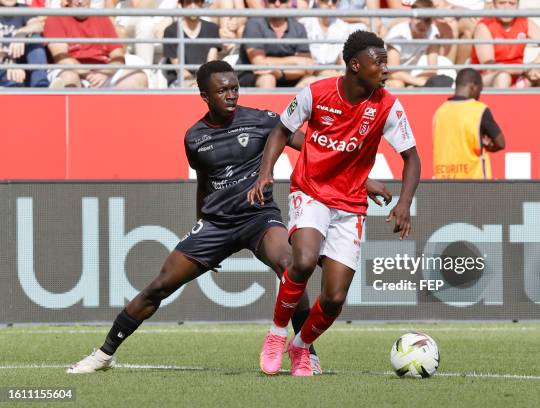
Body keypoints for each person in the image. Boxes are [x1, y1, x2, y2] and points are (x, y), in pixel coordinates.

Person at [66, 60, 391, 375]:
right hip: (216, 225)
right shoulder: (194, 138)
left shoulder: (263, 121)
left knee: (292, 265)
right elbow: (204, 183)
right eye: (223, 91)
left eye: (235, 88)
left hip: (259, 218)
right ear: (205, 96)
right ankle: (104, 353)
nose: (232, 95)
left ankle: (305, 352)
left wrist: (362, 180)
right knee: (159, 286)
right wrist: (200, 226)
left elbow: (315, 153)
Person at [248, 30, 421, 377]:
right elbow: (281, 131)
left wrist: (404, 204)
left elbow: (412, 158)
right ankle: (277, 333)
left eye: (387, 61)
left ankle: (300, 349)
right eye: (380, 61)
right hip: (310, 190)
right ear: (356, 65)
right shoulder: (316, 93)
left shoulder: (387, 105)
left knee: (335, 296)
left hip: (350, 204)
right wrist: (266, 172)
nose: (386, 68)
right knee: (305, 259)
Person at [43, 0, 148, 88]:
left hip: (102, 71)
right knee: (69, 78)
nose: (80, 1)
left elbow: (118, 56)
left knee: (138, 77)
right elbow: (61, 58)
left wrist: (105, 73)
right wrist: (88, 74)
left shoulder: (102, 18)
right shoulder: (56, 18)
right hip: (70, 70)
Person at [432, 68, 505, 179]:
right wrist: (488, 145)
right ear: (473, 86)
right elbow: (500, 143)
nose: (479, 95)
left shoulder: (439, 112)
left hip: (444, 182)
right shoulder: (479, 110)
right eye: (480, 90)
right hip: (474, 184)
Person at [471, 0, 540, 88]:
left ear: (517, 5)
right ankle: (502, 101)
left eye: (512, 3)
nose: (507, 7)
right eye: (502, 3)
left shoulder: (523, 21)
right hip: (488, 78)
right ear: (494, 4)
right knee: (503, 77)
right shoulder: (485, 26)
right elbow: (490, 68)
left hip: (518, 74)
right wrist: (527, 69)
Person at [237, 0, 314, 88]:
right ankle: (266, 102)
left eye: (282, 0)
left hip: (287, 77)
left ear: (289, 3)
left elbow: (307, 66)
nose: (277, 4)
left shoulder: (298, 27)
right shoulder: (254, 24)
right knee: (268, 79)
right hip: (254, 77)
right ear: (265, 3)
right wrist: (294, 60)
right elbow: (259, 64)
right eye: (272, 0)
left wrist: (281, 73)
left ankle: (293, 102)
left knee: (311, 81)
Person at [162, 0, 221, 87]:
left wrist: (201, 82)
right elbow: (179, 68)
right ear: (181, 5)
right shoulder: (171, 31)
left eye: (196, 2)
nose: (193, 6)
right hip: (180, 81)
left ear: (201, 4)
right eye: (188, 2)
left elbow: (211, 63)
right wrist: (193, 82)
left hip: (206, 79)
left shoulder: (212, 28)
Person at [0, 0, 49, 87]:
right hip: (4, 64)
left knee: (35, 38)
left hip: (22, 64)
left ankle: (40, 84)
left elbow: (38, 25)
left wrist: (21, 33)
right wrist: (9, 63)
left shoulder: (22, 8)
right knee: (10, 77)